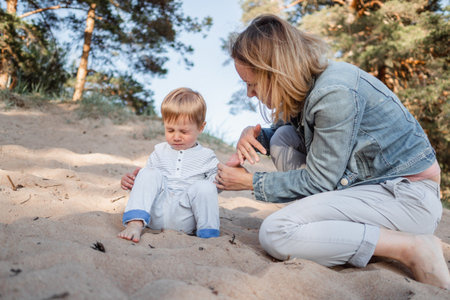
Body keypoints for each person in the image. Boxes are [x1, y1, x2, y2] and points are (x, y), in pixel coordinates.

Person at [215, 14, 450, 289]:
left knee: (276, 233)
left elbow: (319, 180)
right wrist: (252, 136)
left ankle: (413, 248)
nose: (249, 94)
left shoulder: (334, 93)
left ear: (274, 71)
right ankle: (325, 230)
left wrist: (249, 182)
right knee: (282, 136)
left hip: (407, 197)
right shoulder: (309, 88)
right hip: (376, 189)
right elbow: (298, 136)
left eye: (252, 84)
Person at [118, 87, 220, 242]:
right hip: (156, 214)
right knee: (148, 173)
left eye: (184, 132)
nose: (176, 137)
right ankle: (135, 224)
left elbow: (215, 188)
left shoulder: (207, 156)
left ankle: (209, 237)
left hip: (186, 216)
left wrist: (223, 178)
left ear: (201, 128)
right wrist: (133, 182)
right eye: (170, 130)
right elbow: (147, 185)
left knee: (206, 187)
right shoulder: (158, 152)